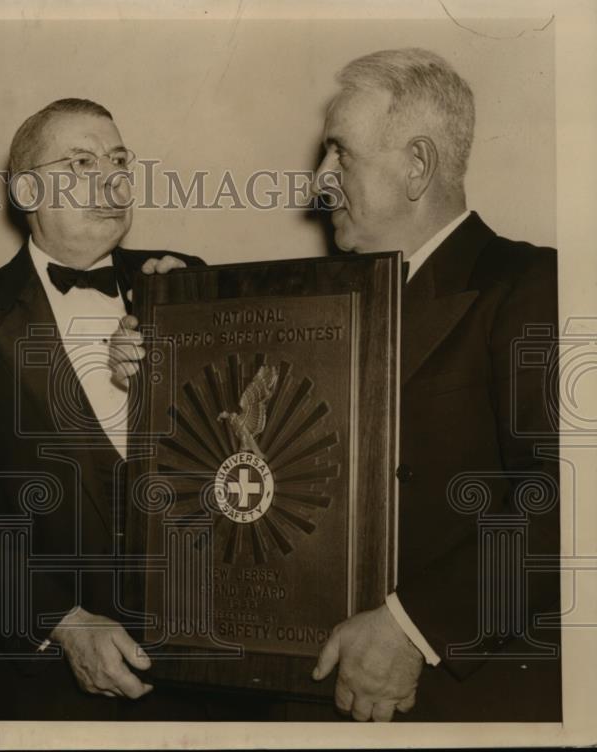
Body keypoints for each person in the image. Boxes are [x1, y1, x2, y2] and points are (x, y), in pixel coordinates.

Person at [111, 48, 560, 722]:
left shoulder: (532, 285)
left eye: (338, 155)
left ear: (417, 164)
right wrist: (160, 347)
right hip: (317, 696)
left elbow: (570, 501)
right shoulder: (322, 304)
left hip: (463, 700)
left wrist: (414, 628)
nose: (319, 181)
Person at [0, 98, 278, 720]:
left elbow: (251, 451)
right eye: (81, 163)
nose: (112, 181)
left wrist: (190, 335)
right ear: (27, 189)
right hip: (42, 683)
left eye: (119, 162)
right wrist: (59, 622)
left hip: (200, 677)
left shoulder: (183, 282)